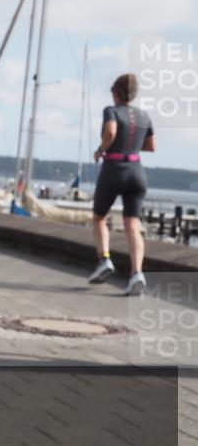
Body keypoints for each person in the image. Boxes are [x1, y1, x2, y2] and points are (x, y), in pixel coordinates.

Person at [86, 73, 155, 296]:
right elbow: (151, 146)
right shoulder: (144, 116)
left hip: (114, 169)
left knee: (99, 217)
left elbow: (111, 131)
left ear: (116, 93)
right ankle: (137, 274)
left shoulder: (112, 110)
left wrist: (101, 149)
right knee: (132, 226)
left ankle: (104, 260)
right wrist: (131, 146)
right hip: (137, 171)